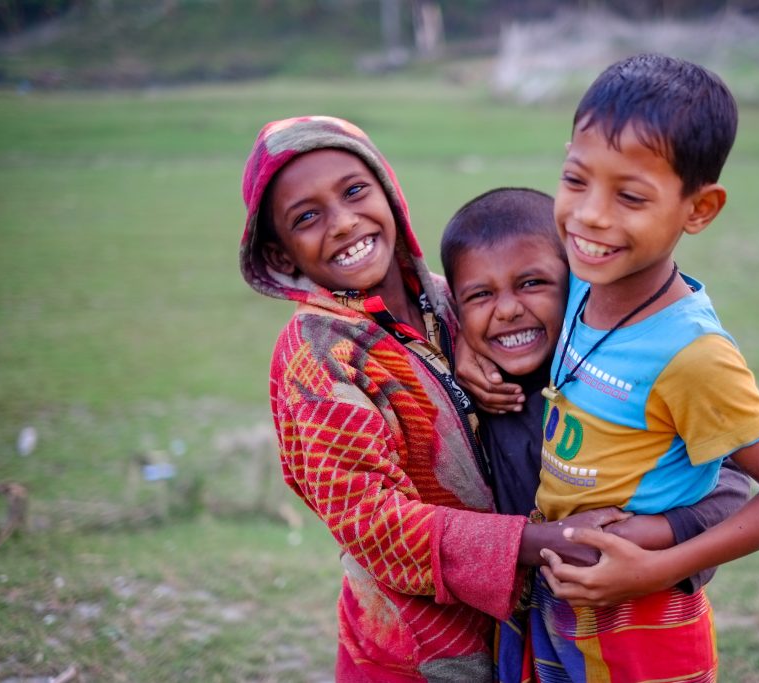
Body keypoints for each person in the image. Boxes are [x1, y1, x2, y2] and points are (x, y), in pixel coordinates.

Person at [467, 54, 759, 681]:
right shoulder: (576, 284)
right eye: (577, 180)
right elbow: (484, 296)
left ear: (699, 209)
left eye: (630, 196)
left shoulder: (693, 355)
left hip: (644, 618)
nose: (591, 215)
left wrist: (657, 568)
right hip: (560, 604)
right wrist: (469, 346)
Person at [237, 115, 632, 682]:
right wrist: (539, 542)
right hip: (415, 655)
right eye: (307, 217)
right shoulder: (315, 356)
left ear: (389, 194)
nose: (344, 222)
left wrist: (465, 337)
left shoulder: (457, 301)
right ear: (281, 256)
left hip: (526, 636)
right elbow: (373, 523)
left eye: (355, 191)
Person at [440, 186, 756, 681]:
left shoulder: (616, 376)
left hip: (639, 618)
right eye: (480, 295)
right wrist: (462, 341)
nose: (507, 310)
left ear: (576, 284)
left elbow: (731, 482)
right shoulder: (470, 388)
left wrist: (650, 535)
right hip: (530, 627)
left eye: (532, 283)